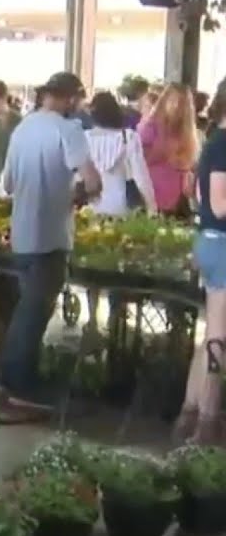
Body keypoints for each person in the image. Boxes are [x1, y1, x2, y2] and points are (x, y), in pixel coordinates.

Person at [0, 72, 101, 412]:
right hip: (51, 235)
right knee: (35, 313)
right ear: (71, 98)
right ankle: (22, 385)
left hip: (22, 232)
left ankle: (5, 376)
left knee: (24, 309)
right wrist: (78, 196)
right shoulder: (68, 129)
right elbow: (92, 180)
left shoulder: (22, 128)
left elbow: (8, 185)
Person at [176, 78, 226, 444]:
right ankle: (207, 425)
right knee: (219, 339)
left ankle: (189, 416)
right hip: (221, 243)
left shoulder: (214, 142)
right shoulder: (223, 145)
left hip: (210, 242)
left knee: (211, 334)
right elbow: (220, 204)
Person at [85, 91, 157, 217]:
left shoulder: (83, 138)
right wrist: (152, 207)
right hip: (120, 203)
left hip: (90, 203)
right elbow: (141, 176)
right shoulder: (128, 137)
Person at [140, 83, 200, 217]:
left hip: (177, 198)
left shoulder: (187, 132)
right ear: (164, 100)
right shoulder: (151, 126)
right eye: (172, 100)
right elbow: (139, 159)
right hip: (151, 194)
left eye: (180, 103)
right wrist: (163, 152)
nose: (175, 106)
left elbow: (189, 163)